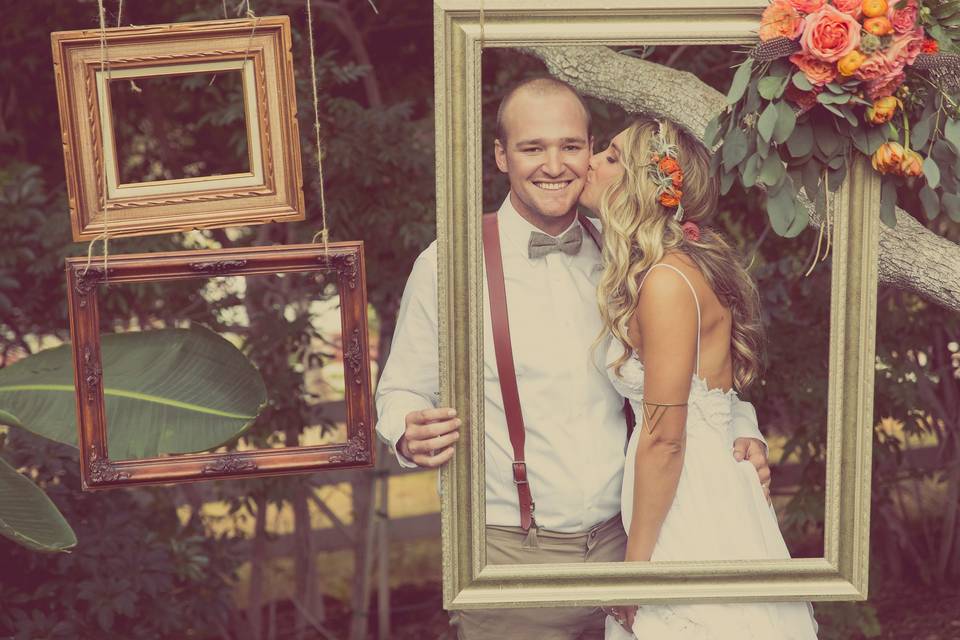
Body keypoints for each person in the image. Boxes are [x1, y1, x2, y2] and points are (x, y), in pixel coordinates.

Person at [375, 77, 772, 640]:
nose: (554, 165)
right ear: (500, 156)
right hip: (510, 559)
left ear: (591, 153)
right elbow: (399, 392)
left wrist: (741, 428)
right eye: (532, 148)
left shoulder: (635, 257)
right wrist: (407, 433)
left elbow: (693, 376)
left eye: (572, 146)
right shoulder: (448, 264)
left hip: (638, 540)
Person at [579, 118, 818, 639]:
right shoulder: (672, 267)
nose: (591, 161)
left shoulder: (665, 282)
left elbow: (665, 438)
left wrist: (636, 576)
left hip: (689, 496)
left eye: (612, 156)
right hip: (692, 484)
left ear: (646, 185)